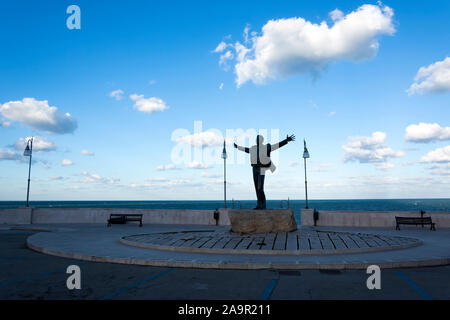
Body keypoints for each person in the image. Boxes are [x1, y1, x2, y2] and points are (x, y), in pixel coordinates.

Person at [234, 134, 295, 210]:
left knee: (260, 188)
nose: (257, 140)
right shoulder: (253, 148)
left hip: (261, 168)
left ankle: (263, 205)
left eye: (258, 139)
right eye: (256, 139)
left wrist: (286, 141)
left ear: (261, 140)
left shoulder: (266, 147)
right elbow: (246, 150)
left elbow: (276, 146)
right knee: (256, 188)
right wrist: (237, 147)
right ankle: (259, 204)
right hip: (254, 168)